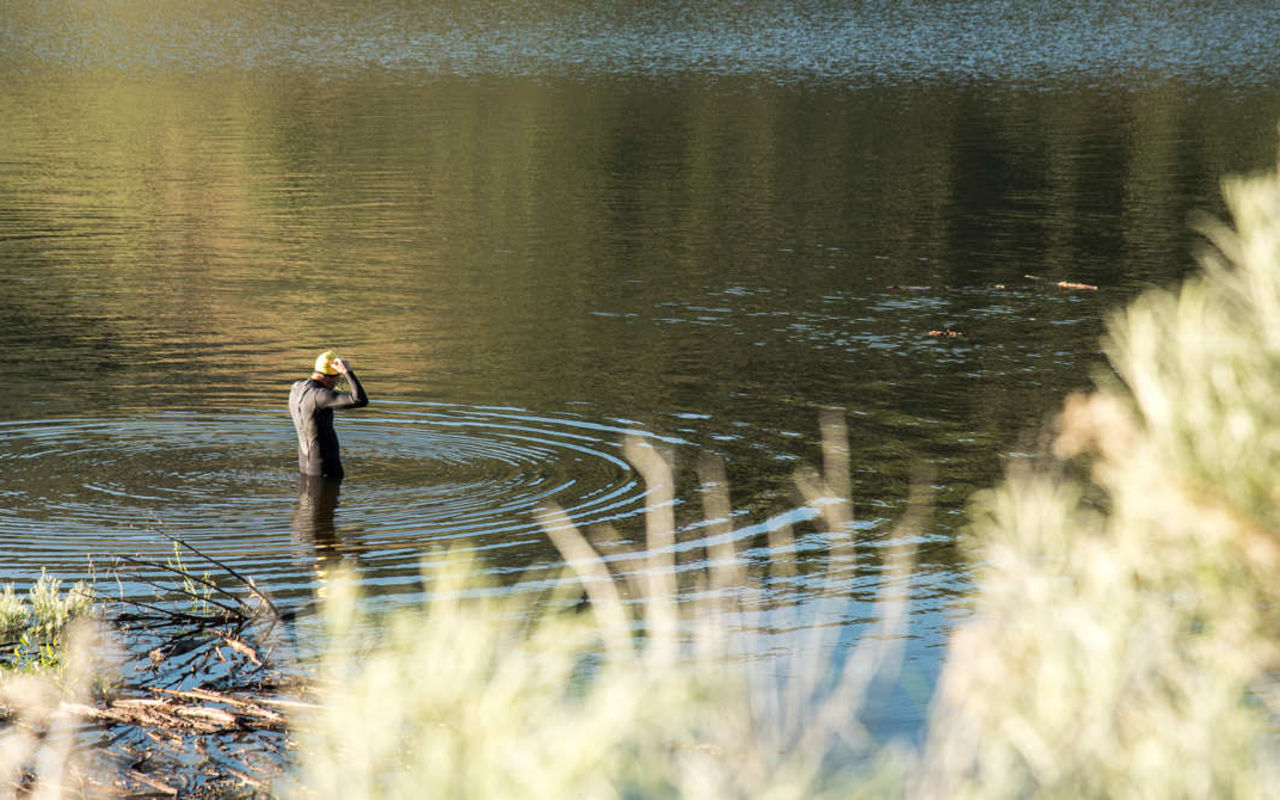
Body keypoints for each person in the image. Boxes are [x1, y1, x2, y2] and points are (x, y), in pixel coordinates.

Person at [289, 350, 369, 480]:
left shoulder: (296, 388)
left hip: (305, 465)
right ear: (326, 377)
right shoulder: (320, 396)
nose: (337, 382)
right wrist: (347, 372)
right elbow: (360, 400)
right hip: (326, 468)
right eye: (337, 378)